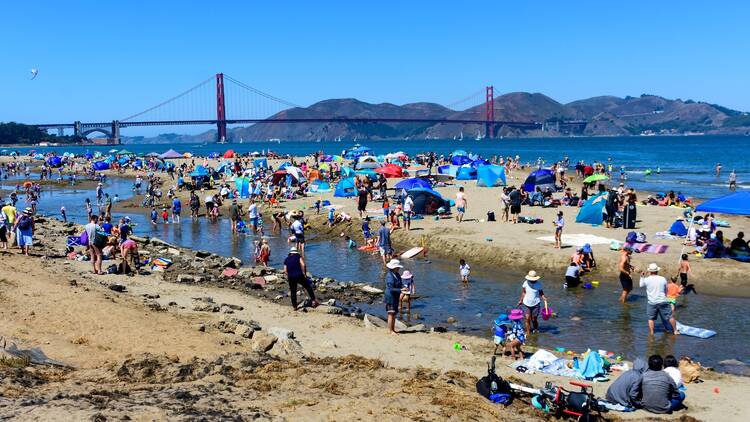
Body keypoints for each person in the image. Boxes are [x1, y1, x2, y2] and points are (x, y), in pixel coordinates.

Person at [639, 263, 678, 336]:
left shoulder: (647, 279)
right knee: (670, 316)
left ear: (650, 271)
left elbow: (641, 285)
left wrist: (641, 276)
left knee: (651, 319)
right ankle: (675, 331)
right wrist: (665, 296)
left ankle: (651, 333)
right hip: (662, 301)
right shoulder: (662, 279)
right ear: (657, 271)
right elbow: (666, 290)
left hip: (652, 302)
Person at [517, 270, 546, 335]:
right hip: (526, 303)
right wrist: (521, 300)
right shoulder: (525, 283)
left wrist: (543, 297)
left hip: (536, 303)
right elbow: (524, 292)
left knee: (534, 319)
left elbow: (541, 292)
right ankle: (528, 332)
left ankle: (535, 329)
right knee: (527, 318)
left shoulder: (538, 284)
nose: (532, 280)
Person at [384, 259, 404, 335]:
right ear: (394, 267)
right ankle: (390, 330)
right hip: (390, 297)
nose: (399, 268)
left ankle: (393, 329)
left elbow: (400, 284)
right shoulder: (389, 276)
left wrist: (403, 287)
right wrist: (401, 290)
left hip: (395, 296)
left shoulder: (397, 274)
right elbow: (390, 288)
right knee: (391, 313)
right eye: (398, 267)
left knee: (394, 313)